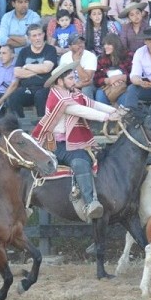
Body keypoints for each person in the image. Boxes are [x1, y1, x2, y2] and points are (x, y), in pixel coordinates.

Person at [31, 61, 122, 221]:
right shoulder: (59, 98)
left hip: (68, 142)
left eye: (74, 77)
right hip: (56, 145)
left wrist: (116, 110)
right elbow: (81, 110)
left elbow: (92, 104)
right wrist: (107, 117)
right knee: (80, 160)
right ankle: (90, 202)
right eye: (71, 78)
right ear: (60, 81)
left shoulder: (73, 94)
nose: (75, 81)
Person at [10, 23, 58, 117]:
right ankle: (21, 127)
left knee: (40, 96)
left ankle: (42, 127)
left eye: (40, 34)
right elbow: (17, 72)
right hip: (27, 89)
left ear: (44, 35)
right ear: (29, 38)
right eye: (34, 35)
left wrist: (27, 66)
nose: (38, 38)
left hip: (45, 88)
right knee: (14, 97)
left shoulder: (50, 49)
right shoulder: (24, 52)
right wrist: (38, 69)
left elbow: (46, 68)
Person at [93, 33, 133, 105]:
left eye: (109, 44)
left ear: (116, 45)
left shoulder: (128, 56)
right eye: (104, 44)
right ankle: (105, 115)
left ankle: (123, 115)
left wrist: (123, 77)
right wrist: (107, 80)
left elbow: (135, 74)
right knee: (100, 95)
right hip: (107, 87)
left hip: (124, 86)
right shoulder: (101, 59)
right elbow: (96, 78)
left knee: (124, 98)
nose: (105, 46)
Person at [59, 33, 97, 98]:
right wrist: (74, 85)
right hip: (70, 85)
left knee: (86, 89)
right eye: (76, 43)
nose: (80, 45)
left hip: (88, 85)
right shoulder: (64, 58)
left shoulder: (91, 56)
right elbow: (62, 78)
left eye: (82, 42)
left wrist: (77, 63)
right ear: (70, 47)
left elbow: (86, 79)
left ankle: (88, 107)